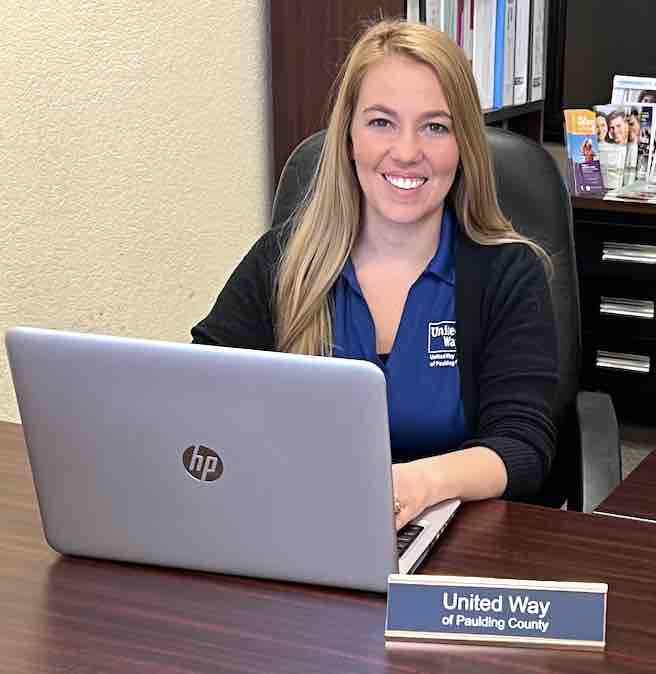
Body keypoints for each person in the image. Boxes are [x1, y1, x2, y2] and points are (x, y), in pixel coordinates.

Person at [191, 20, 558, 529]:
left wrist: (416, 485)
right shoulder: (284, 260)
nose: (406, 151)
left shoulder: (507, 273)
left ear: (463, 146)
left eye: (435, 126)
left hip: (457, 542)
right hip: (302, 525)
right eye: (382, 122)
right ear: (348, 139)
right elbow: (199, 393)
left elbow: (522, 446)